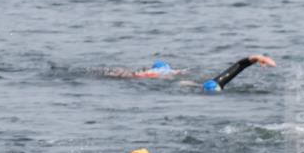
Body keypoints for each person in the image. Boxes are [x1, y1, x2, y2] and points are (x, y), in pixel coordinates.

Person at [102, 54, 276, 91]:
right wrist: (255, 58)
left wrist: (255, 59)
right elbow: (237, 67)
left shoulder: (214, 85)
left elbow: (238, 67)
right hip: (185, 82)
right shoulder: (215, 85)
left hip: (182, 81)